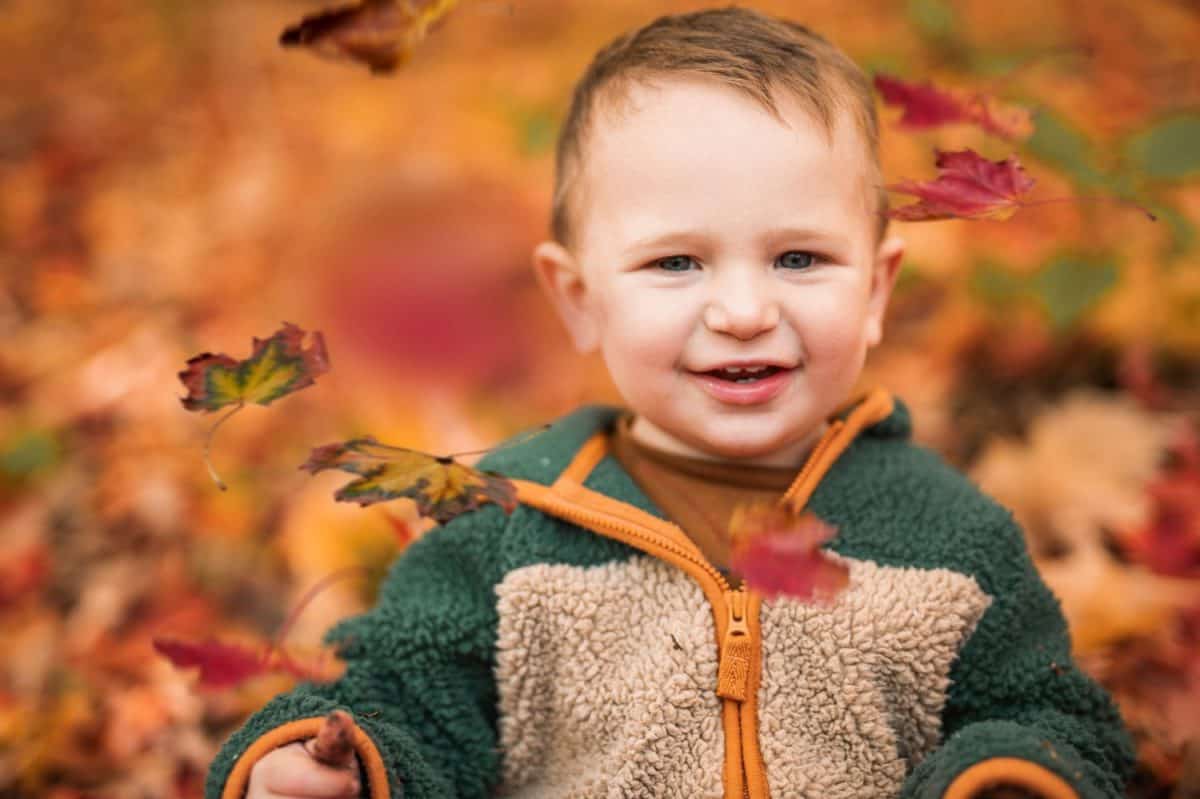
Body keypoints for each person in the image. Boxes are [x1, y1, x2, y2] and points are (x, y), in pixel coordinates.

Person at [206, 7, 1135, 798]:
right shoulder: (502, 527)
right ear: (577, 298)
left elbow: (1053, 714)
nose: (741, 311)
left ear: (879, 290)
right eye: (676, 262)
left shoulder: (951, 540)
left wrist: (1010, 771)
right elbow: (407, 699)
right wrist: (334, 761)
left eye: (800, 257)